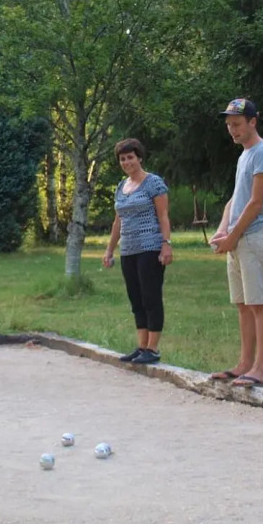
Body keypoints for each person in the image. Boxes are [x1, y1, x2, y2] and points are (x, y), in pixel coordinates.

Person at [208, 98, 263, 387]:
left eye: (237, 124)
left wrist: (233, 236)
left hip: (252, 237)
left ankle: (260, 369)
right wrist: (222, 231)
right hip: (237, 238)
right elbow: (235, 199)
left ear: (253, 121)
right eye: (229, 125)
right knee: (242, 304)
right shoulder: (244, 155)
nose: (232, 130)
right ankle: (244, 364)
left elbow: (256, 203)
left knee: (258, 304)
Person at [102, 138, 173, 364]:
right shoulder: (121, 187)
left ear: (139, 158)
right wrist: (109, 250)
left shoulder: (154, 183)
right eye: (122, 159)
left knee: (151, 296)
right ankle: (141, 346)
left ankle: (153, 348)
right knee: (136, 298)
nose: (127, 162)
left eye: (130, 157)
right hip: (128, 250)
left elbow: (163, 215)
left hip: (150, 247)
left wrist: (166, 244)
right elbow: (118, 222)